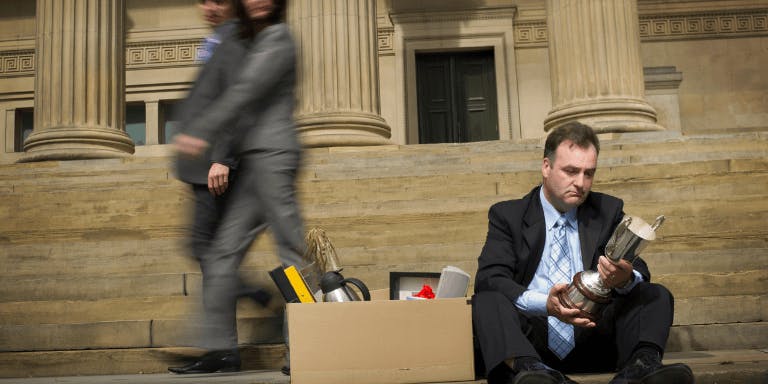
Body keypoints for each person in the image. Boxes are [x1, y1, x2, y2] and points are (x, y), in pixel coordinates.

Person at [472, 121, 694, 384]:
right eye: (571, 171)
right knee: (486, 300)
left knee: (655, 293)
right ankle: (532, 373)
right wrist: (546, 305)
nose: (580, 183)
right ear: (546, 167)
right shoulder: (508, 215)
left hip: (595, 334)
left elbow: (639, 270)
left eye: (589, 173)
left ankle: (641, 368)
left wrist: (624, 278)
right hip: (533, 339)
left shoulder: (607, 210)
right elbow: (490, 277)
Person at [169, 0, 306, 374]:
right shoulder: (252, 36)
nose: (257, 0)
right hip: (253, 160)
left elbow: (245, 90)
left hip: (274, 156)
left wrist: (202, 131)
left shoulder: (278, 38)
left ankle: (308, 346)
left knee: (293, 253)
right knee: (220, 255)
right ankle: (221, 351)